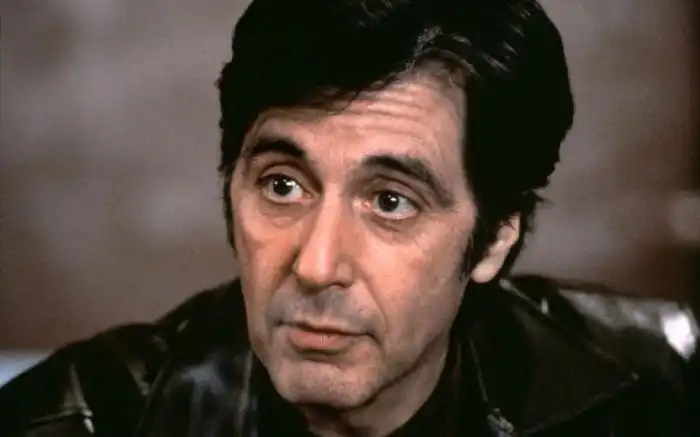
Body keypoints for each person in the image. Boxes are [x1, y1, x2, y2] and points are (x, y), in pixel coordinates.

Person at [1, 0, 697, 436]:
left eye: (391, 201)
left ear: (493, 238)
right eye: (283, 186)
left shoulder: (662, 389)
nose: (315, 265)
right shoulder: (81, 418)